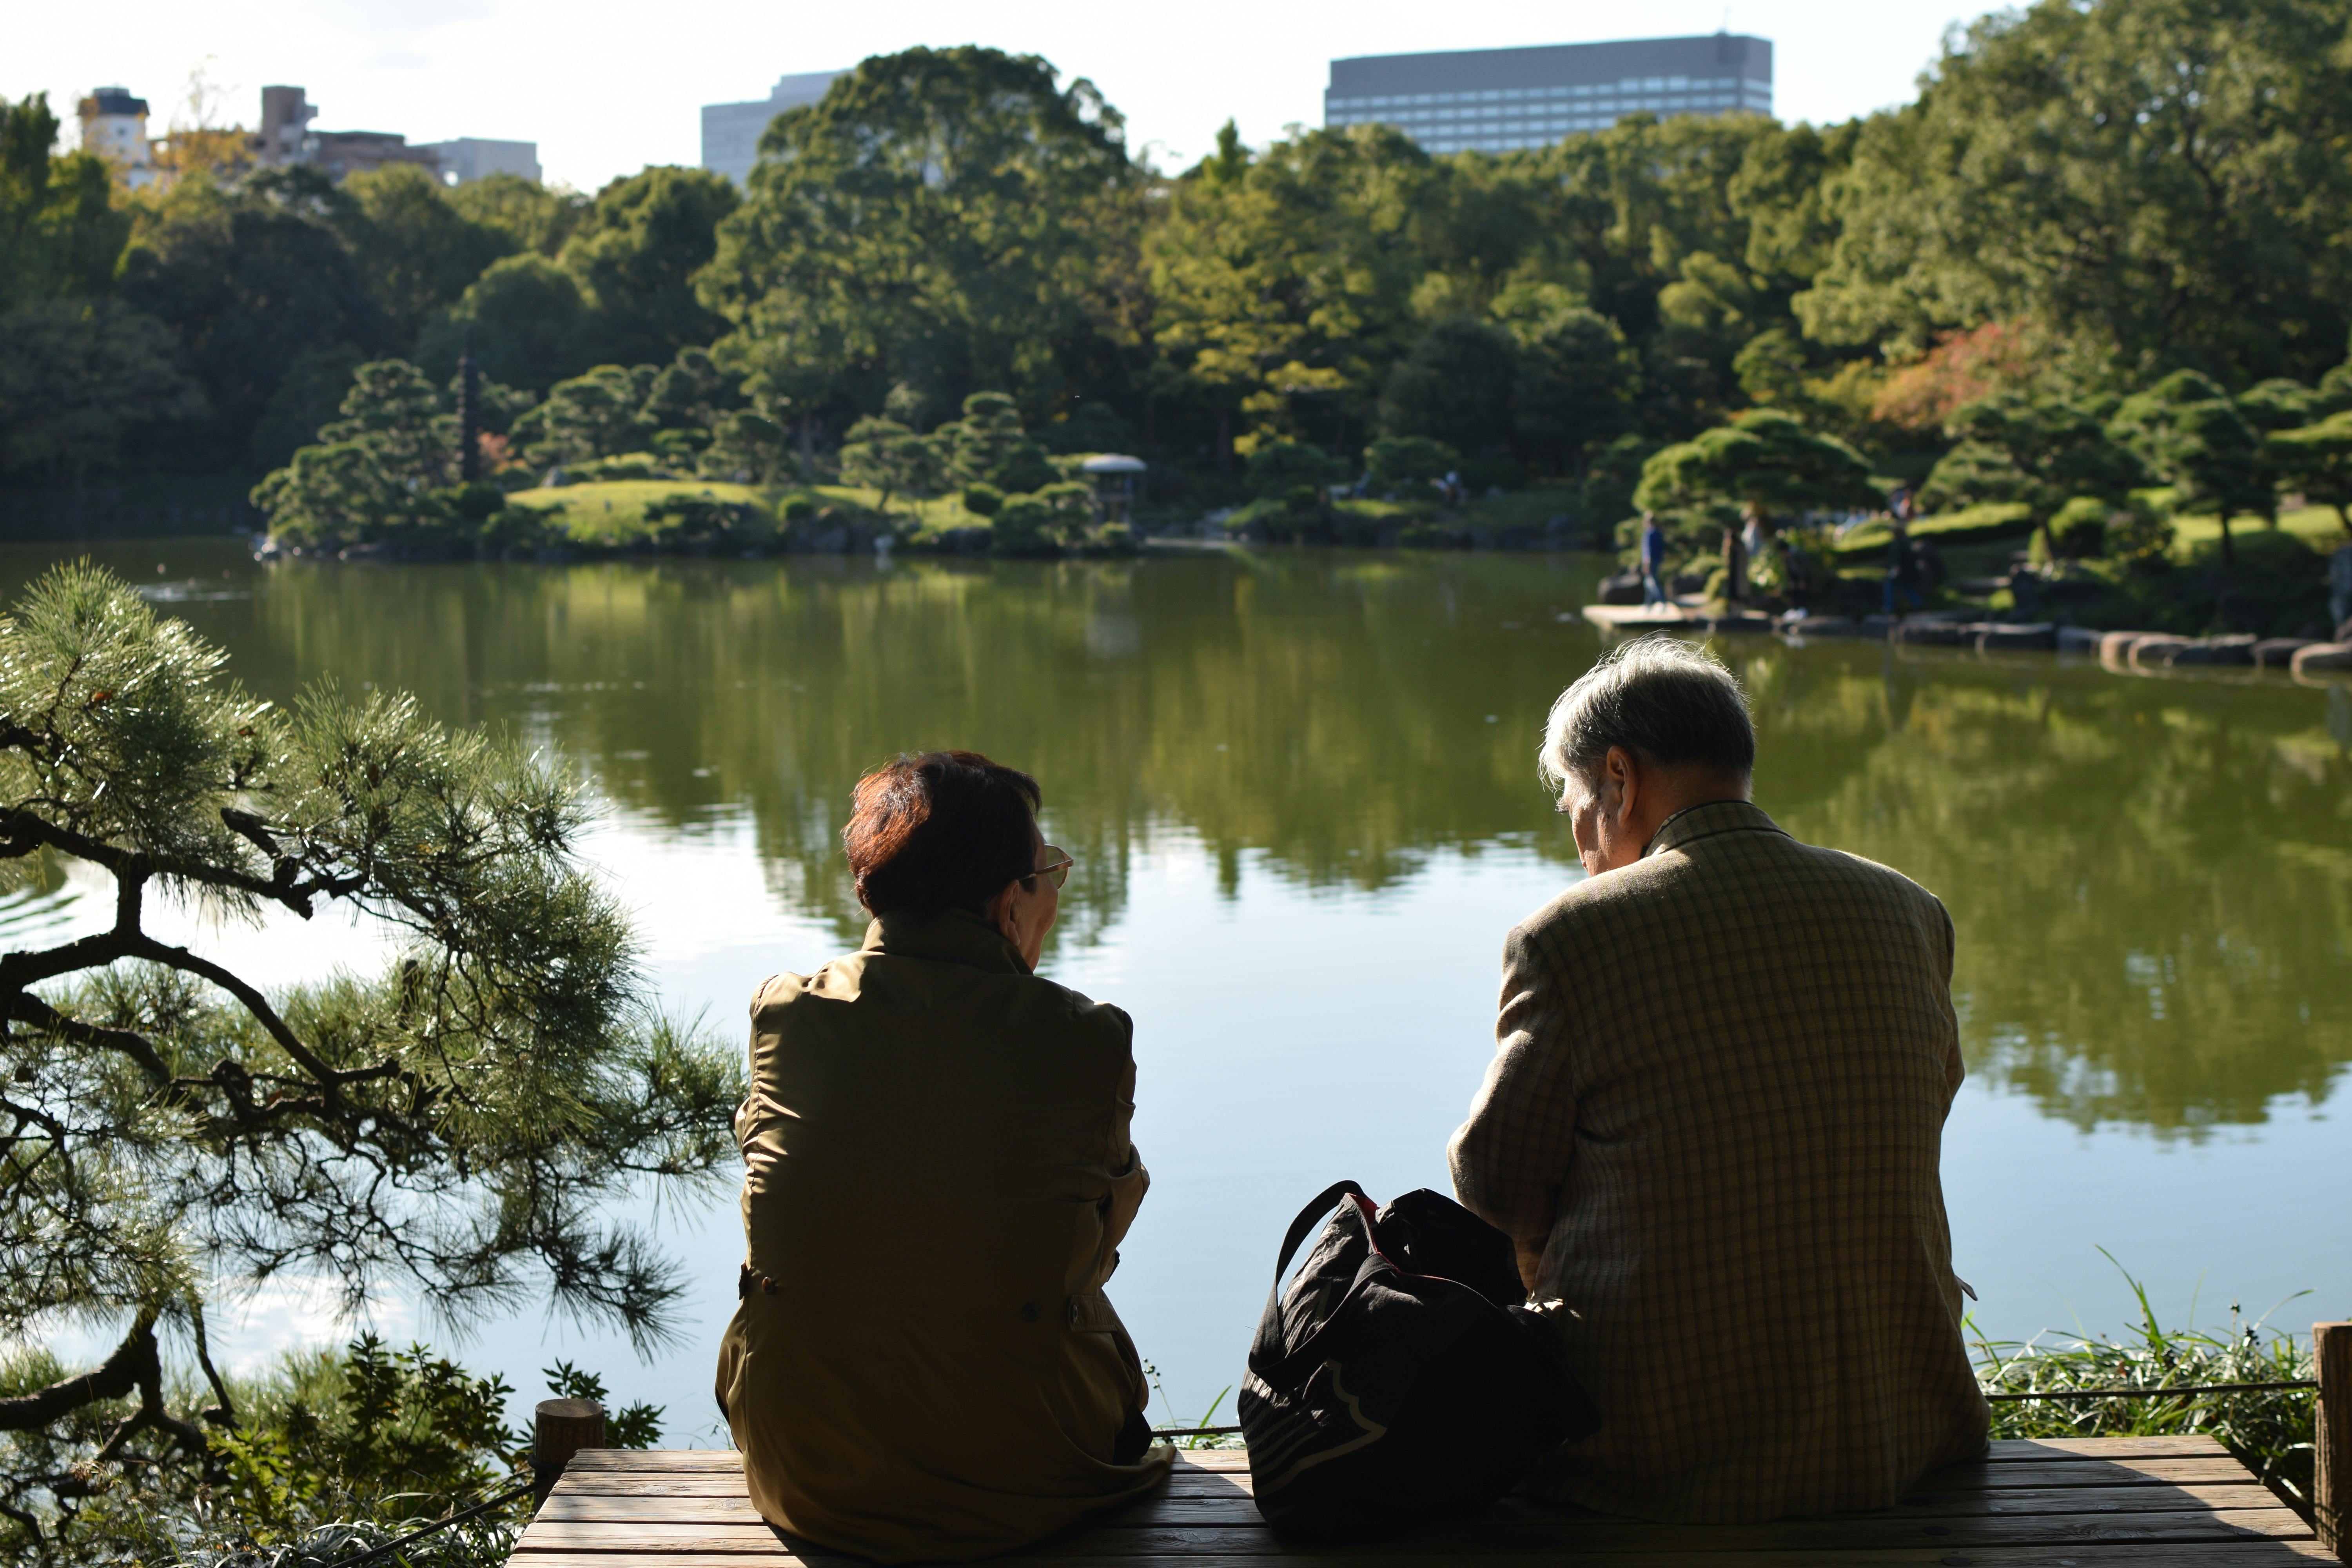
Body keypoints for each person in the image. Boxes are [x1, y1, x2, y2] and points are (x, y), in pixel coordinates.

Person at [1448, 637, 1986, 1525]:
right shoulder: (1909, 910)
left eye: (1576, 804)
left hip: (1654, 1467)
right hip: (1904, 1438)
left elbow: (1493, 1181)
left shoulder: (1571, 935)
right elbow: (1928, 1105)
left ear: (1617, 776)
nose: (1581, 843)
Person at [715, 751, 1171, 1562]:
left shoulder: (785, 1016)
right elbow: (1091, 1251)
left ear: (870, 891)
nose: (1055, 895)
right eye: (1049, 874)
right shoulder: (1084, 1039)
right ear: (1008, 904)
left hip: (808, 1472)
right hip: (1026, 1476)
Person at [1639, 513, 1668, 606]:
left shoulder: (1650, 534)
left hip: (1650, 561)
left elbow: (1649, 551)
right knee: (1648, 582)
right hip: (1657, 560)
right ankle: (1648, 605)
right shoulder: (1659, 533)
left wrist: (1647, 564)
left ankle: (1662, 603)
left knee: (1653, 582)